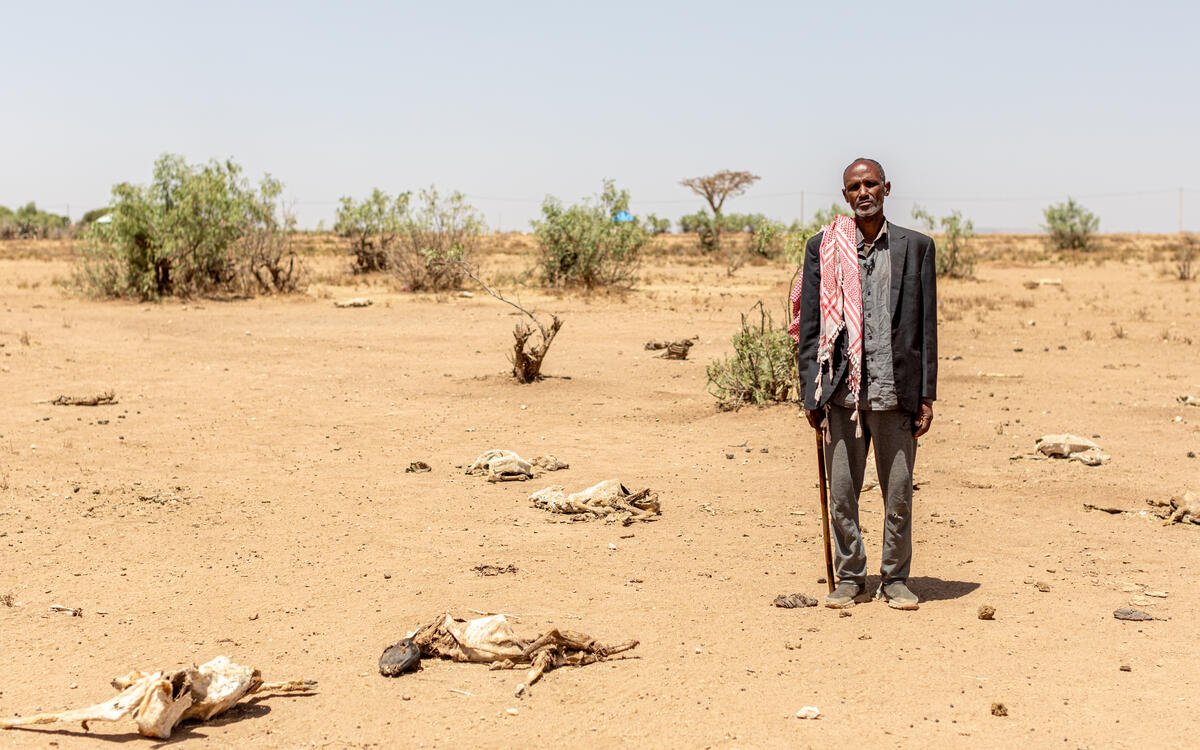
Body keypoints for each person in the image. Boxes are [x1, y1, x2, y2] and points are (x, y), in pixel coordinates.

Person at [788, 158, 937, 610]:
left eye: (871, 184)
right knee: (842, 494)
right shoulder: (824, 248)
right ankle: (851, 577)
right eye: (854, 187)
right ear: (845, 195)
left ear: (886, 189)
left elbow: (926, 327)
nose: (863, 193)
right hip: (840, 394)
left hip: (896, 393)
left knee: (899, 495)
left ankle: (895, 579)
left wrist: (926, 396)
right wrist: (810, 392)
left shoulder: (916, 246)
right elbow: (811, 325)